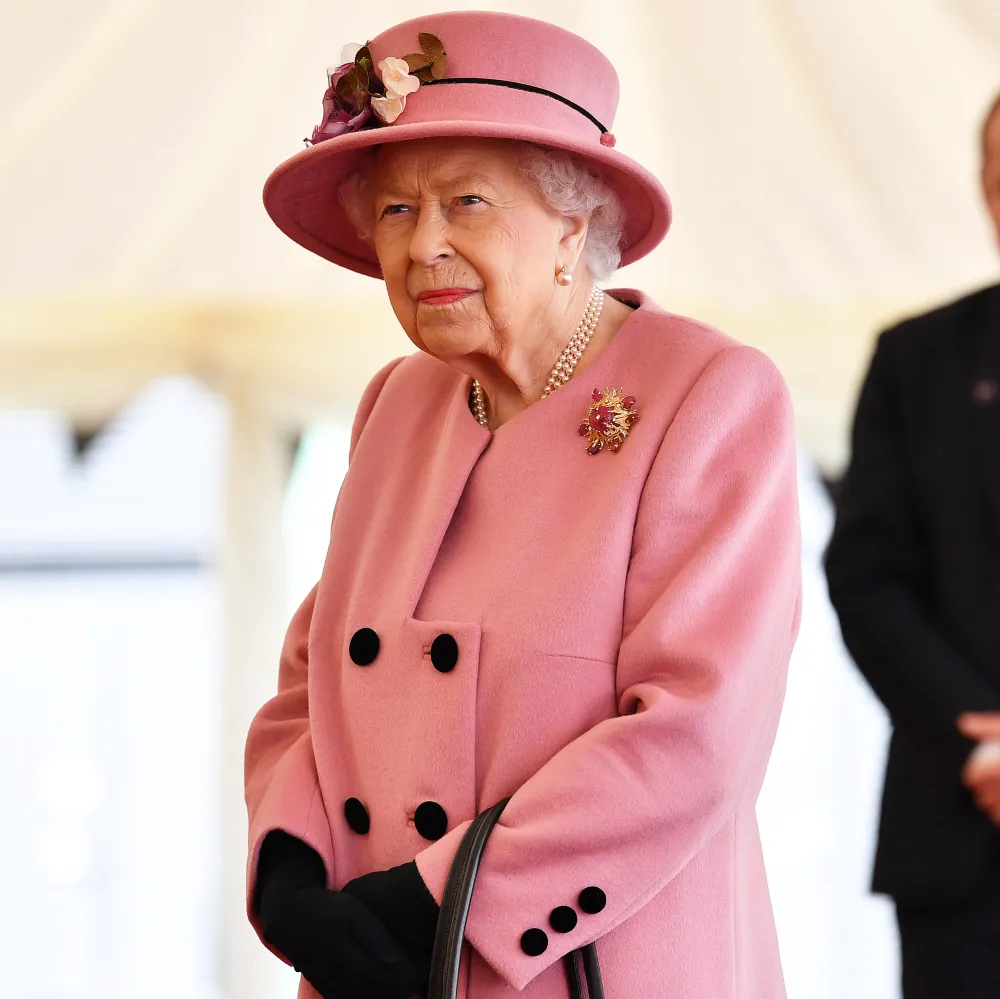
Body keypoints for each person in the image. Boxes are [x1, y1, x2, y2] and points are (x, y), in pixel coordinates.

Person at [244, 11, 802, 999]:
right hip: (371, 969)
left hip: (586, 965)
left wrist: (432, 901)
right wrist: (290, 875)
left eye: (467, 201)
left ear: (572, 226)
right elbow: (309, 679)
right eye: (396, 212)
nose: (425, 248)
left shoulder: (706, 395)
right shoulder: (396, 404)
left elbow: (693, 735)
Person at [825, 91, 1000, 999]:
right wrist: (983, 746)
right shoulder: (917, 358)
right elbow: (866, 574)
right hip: (960, 822)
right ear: (984, 185)